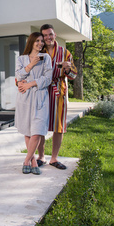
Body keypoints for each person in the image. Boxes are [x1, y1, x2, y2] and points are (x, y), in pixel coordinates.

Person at [36, 24, 77, 170]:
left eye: (50, 34)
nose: (48, 38)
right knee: (40, 125)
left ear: (55, 34)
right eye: (45, 35)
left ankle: (54, 158)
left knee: (58, 126)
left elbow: (73, 75)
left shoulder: (65, 53)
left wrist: (67, 68)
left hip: (58, 93)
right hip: (41, 92)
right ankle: (41, 157)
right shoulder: (39, 52)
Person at [14, 32, 52, 175]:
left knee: (37, 132)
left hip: (40, 97)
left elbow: (48, 78)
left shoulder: (46, 58)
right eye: (37, 41)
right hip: (25, 98)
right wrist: (31, 64)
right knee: (28, 131)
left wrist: (30, 84)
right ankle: (34, 161)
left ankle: (26, 161)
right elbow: (18, 76)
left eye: (42, 41)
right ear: (31, 42)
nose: (40, 43)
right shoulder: (21, 59)